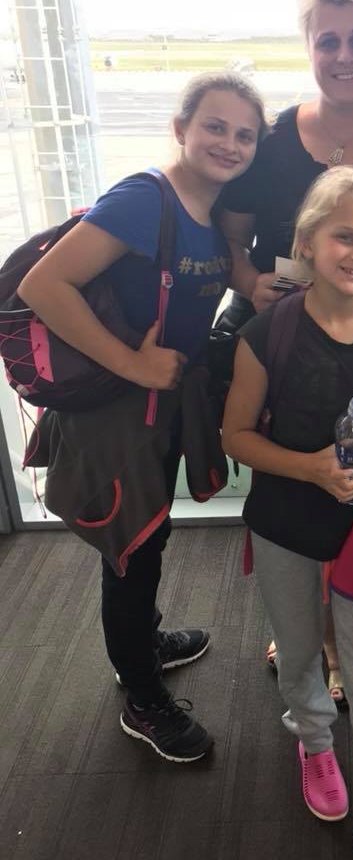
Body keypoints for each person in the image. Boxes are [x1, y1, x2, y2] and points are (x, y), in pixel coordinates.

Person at [17, 71, 269, 763]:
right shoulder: (143, 198)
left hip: (157, 405)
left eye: (244, 134)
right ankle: (141, 696)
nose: (228, 142)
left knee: (149, 540)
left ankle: (143, 644)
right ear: (181, 129)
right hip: (116, 410)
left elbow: (216, 279)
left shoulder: (210, 210)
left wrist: (253, 283)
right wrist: (132, 364)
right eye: (214, 126)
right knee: (131, 549)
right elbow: (45, 287)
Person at [219, 0, 353, 703]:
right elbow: (231, 243)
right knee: (295, 492)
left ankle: (344, 638)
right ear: (308, 46)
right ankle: (303, 631)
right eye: (328, 40)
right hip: (285, 344)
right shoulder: (272, 143)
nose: (344, 55)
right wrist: (250, 287)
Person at [222, 166, 353, 860]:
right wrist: (308, 467)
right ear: (307, 241)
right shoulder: (266, 333)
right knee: (300, 650)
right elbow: (236, 436)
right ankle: (313, 742)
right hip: (286, 522)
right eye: (344, 236)